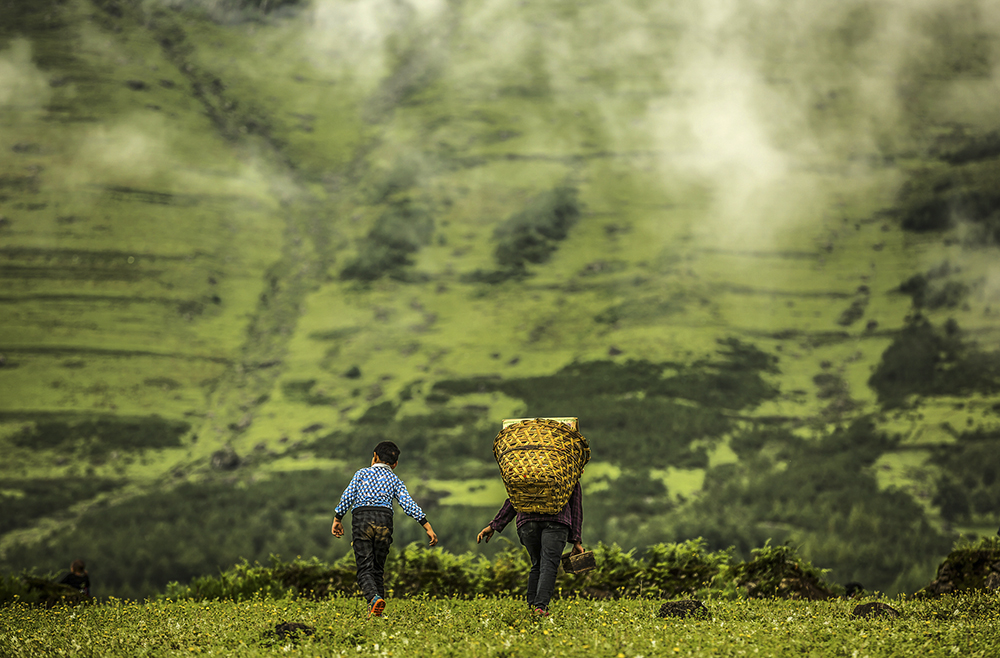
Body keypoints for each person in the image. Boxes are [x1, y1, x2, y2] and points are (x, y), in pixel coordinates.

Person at [331, 440, 437, 618]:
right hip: (384, 522)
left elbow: (347, 497)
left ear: (374, 457)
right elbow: (408, 504)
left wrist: (337, 519)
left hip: (362, 520)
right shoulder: (394, 480)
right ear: (395, 464)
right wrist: (427, 526)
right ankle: (376, 613)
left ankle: (373, 599)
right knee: (378, 569)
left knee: (365, 568)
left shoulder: (361, 474)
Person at [477, 481, 584, 616]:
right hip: (556, 520)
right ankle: (540, 607)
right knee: (549, 565)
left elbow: (515, 499)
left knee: (537, 564)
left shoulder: (528, 468)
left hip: (528, 522)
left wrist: (494, 525)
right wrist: (576, 540)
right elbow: (576, 507)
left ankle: (533, 608)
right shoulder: (566, 471)